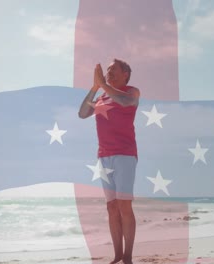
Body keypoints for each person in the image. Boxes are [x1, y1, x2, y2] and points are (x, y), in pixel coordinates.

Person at [78, 58, 140, 264]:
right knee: (111, 207)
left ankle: (128, 257)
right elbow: (82, 113)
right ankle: (118, 255)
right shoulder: (102, 97)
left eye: (114, 70)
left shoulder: (132, 92)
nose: (109, 72)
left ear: (125, 74)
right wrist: (95, 87)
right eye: (107, 70)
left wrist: (103, 85)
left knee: (124, 206)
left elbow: (126, 102)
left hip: (124, 155)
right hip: (104, 156)